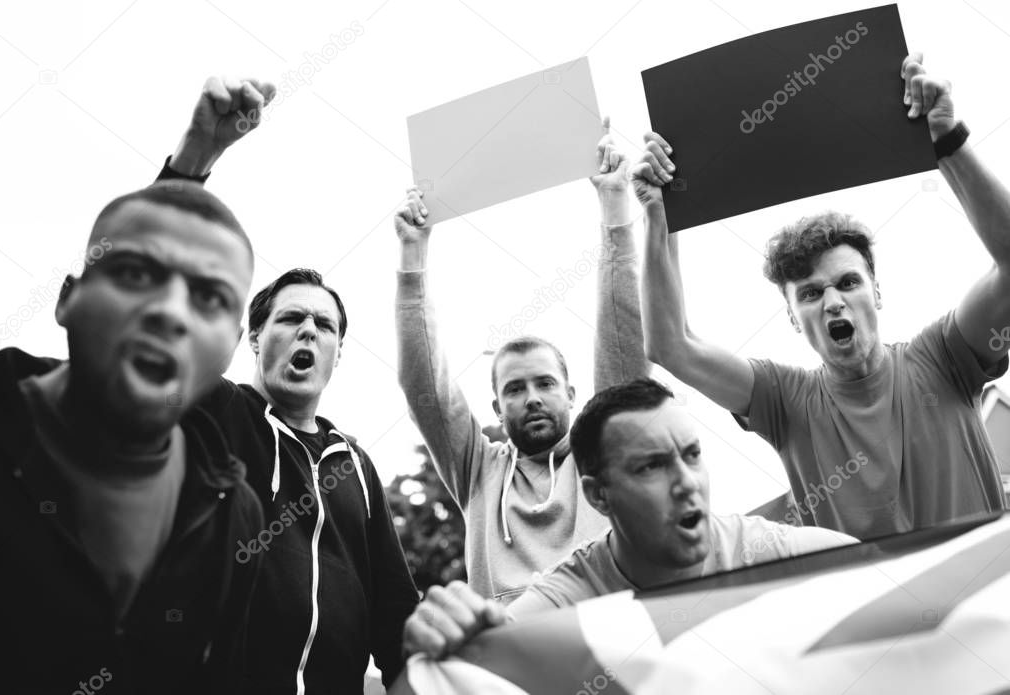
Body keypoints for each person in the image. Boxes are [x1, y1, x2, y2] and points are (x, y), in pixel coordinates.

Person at [638, 53, 1009, 540]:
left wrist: (947, 141)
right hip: (872, 614)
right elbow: (671, 346)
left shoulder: (943, 356)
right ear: (793, 317)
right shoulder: (786, 400)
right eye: (811, 294)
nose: (833, 301)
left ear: (876, 292)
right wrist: (659, 216)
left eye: (848, 283)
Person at [157, 77, 418, 694]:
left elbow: (399, 626)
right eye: (290, 318)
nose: (308, 331)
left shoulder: (356, 465)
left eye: (323, 325)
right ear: (253, 338)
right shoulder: (214, 414)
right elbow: (150, 309)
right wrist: (195, 159)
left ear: (337, 353)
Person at [0, 181, 265, 694]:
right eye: (136, 274)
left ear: (230, 346)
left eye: (209, 297)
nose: (171, 312)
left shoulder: (234, 513)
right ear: (67, 299)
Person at [401, 378, 855, 657]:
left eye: (692, 455)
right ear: (599, 497)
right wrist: (455, 635)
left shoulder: (762, 547)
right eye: (651, 466)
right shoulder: (570, 595)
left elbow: (886, 568)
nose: (686, 482)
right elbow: (497, 643)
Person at [394, 121, 651, 604]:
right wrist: (413, 253)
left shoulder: (603, 451)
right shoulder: (477, 470)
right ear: (496, 409)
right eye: (514, 389)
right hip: (515, 667)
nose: (531, 397)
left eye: (545, 383)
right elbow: (423, 385)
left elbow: (624, 334)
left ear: (572, 395)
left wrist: (615, 205)